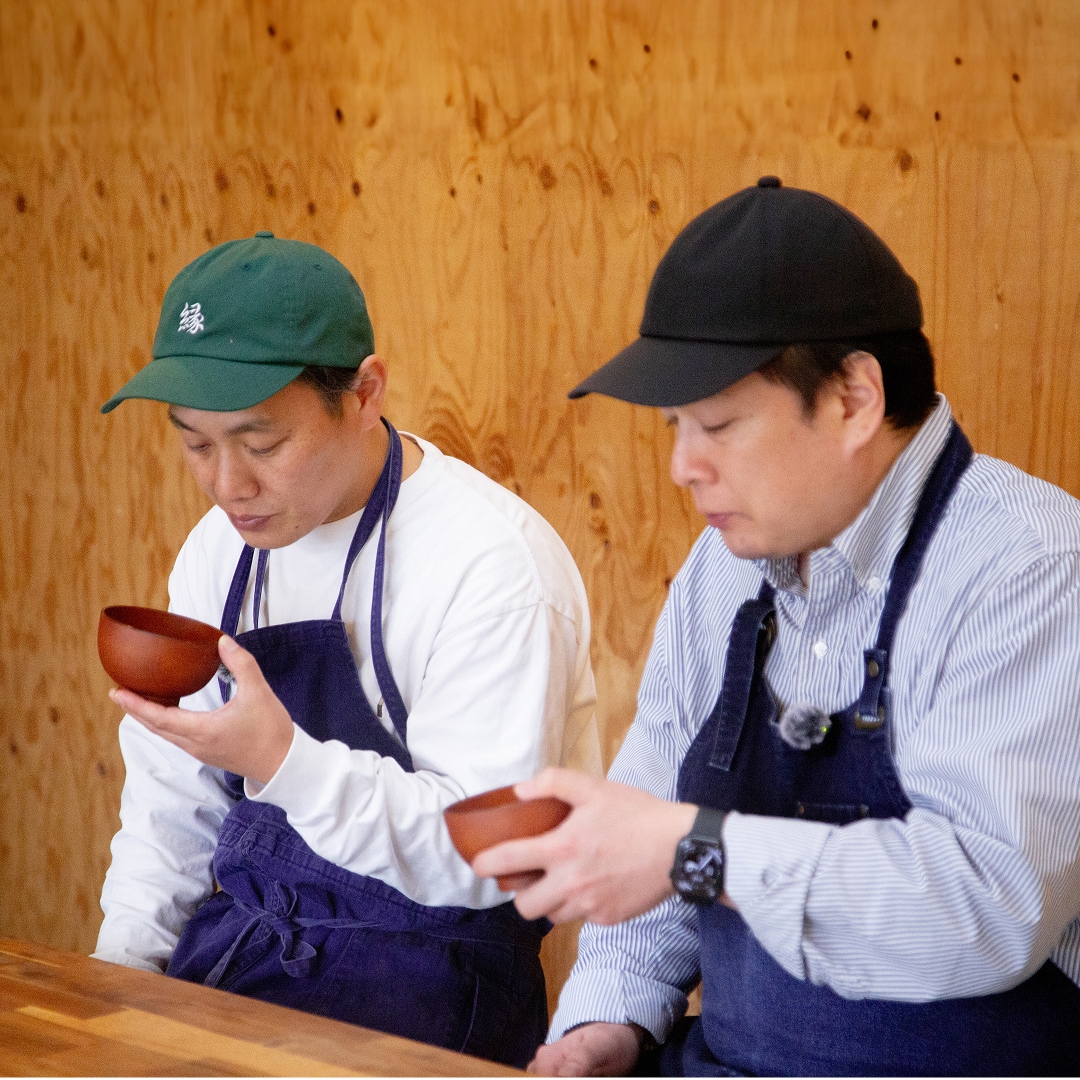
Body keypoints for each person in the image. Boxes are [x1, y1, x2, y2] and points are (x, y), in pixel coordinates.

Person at [472, 178, 1080, 1075]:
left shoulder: (1026, 569)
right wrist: (607, 1022)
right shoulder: (722, 573)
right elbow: (649, 836)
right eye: (675, 427)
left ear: (854, 398)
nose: (683, 467)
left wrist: (701, 850)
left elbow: (984, 907)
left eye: (718, 424)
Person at [92, 232, 601, 1068]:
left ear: (364, 394)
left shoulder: (490, 564)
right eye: (195, 444)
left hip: (433, 989)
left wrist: (284, 759)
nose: (228, 485)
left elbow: (489, 862)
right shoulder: (218, 553)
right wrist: (120, 984)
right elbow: (169, 809)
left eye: (262, 445)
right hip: (241, 958)